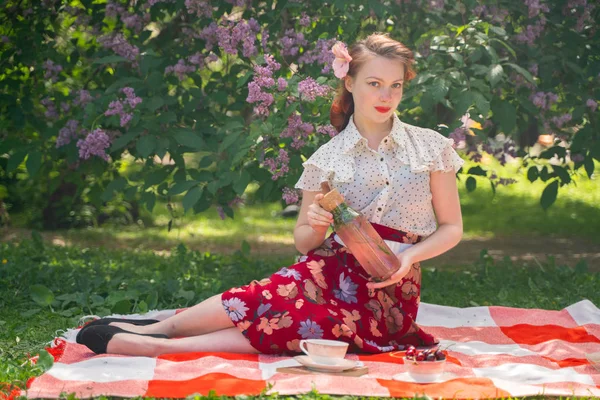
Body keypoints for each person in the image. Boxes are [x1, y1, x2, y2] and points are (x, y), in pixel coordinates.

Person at [76, 32, 464, 357]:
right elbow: (304, 242)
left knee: (315, 329)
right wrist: (315, 225)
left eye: (395, 85)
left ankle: (162, 344)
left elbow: (451, 227)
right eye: (374, 83)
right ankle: (163, 330)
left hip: (393, 287)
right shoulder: (325, 159)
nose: (386, 95)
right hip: (332, 269)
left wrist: (410, 256)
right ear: (350, 83)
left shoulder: (431, 147)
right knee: (275, 299)